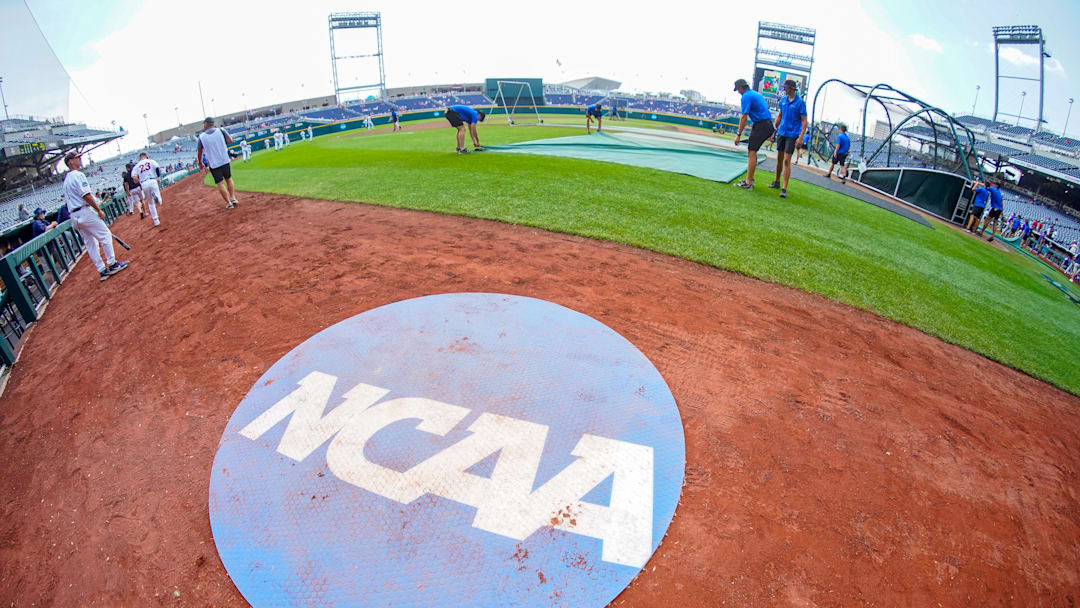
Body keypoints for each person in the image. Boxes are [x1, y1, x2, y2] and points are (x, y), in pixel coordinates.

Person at [61, 152, 129, 282]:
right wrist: (98, 209)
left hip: (74, 215)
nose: (80, 159)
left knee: (91, 244)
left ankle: (102, 270)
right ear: (70, 161)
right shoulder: (78, 175)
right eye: (77, 158)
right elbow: (85, 195)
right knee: (105, 235)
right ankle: (112, 263)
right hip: (84, 211)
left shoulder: (66, 180)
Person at [768, 80, 808, 199]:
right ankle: (776, 182)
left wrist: (801, 137)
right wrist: (773, 131)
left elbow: (804, 120)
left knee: (786, 160)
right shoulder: (784, 100)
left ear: (791, 88)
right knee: (779, 158)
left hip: (792, 134)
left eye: (785, 87)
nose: (783, 89)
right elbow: (780, 115)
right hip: (782, 132)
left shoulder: (800, 102)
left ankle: (784, 188)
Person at [732, 78, 774, 190]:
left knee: (751, 152)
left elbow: (744, 117)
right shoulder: (755, 94)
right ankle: (750, 179)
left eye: (738, 90)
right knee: (752, 151)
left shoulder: (746, 96)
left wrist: (738, 134)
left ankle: (748, 182)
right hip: (765, 124)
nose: (738, 92)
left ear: (741, 88)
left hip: (762, 125)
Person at [196, 116, 240, 209]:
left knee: (220, 183)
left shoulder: (202, 137)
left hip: (213, 163)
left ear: (206, 124)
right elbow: (230, 140)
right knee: (229, 179)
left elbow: (199, 152)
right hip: (224, 159)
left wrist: (200, 163)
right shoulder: (221, 130)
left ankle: (229, 203)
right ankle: (233, 198)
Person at [132, 152, 164, 227]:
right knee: (159, 202)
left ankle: (156, 221)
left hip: (144, 183)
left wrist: (138, 179)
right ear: (146, 156)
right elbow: (157, 169)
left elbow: (134, 178)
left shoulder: (136, 166)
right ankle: (157, 198)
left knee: (150, 203)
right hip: (153, 180)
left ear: (140, 158)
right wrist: (158, 178)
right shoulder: (151, 161)